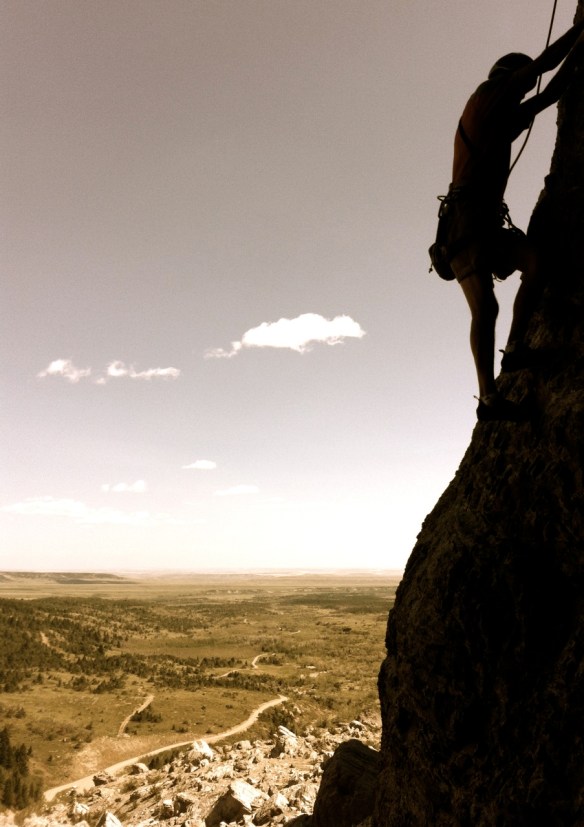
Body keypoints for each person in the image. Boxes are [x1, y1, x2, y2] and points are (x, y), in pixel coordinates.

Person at [443, 19, 584, 421]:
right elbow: (543, 65)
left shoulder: (501, 118)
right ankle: (488, 398)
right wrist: (580, 31)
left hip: (484, 223)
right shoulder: (486, 96)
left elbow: (550, 93)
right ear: (508, 78)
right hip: (464, 224)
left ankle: (517, 347)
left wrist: (579, 52)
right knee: (485, 308)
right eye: (521, 84)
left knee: (537, 263)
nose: (525, 90)